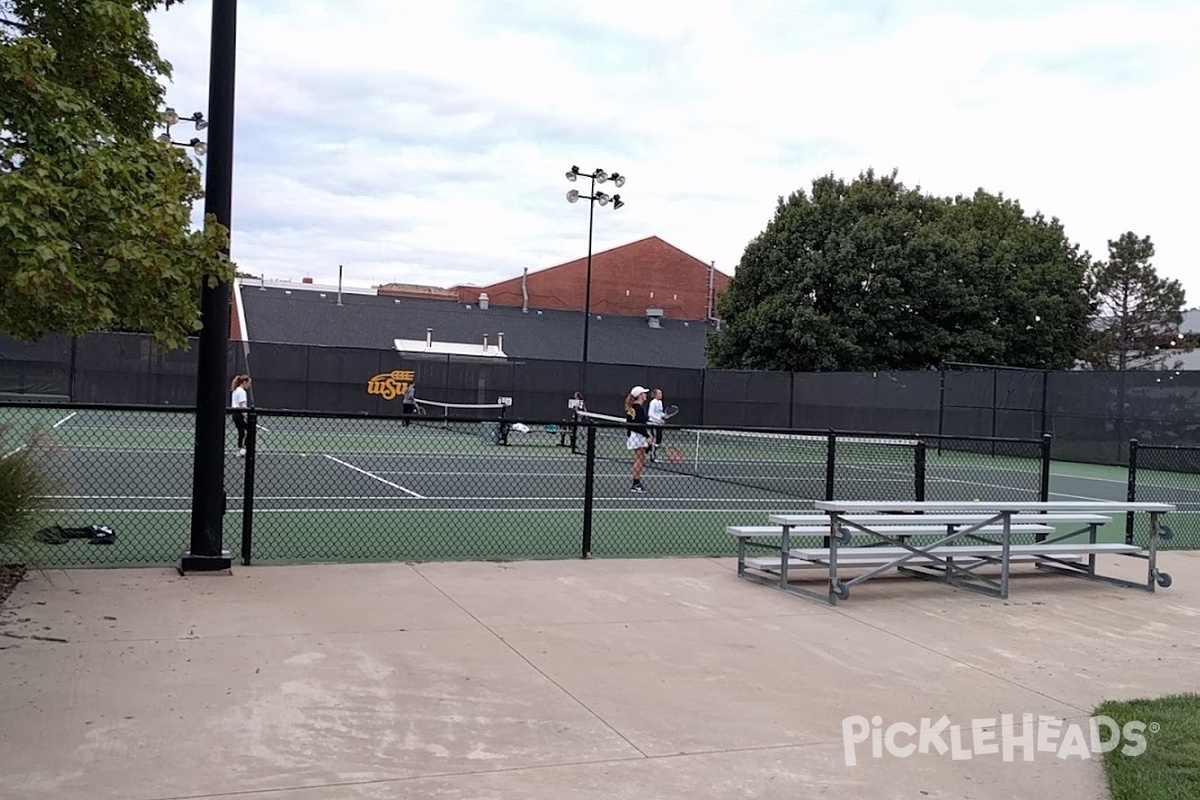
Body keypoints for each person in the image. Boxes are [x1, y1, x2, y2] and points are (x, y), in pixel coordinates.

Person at [624, 385, 651, 493]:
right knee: (640, 459)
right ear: (640, 395)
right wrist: (647, 436)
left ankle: (636, 482)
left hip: (635, 435)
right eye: (644, 393)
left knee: (640, 458)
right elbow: (639, 425)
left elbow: (632, 425)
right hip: (638, 435)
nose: (645, 395)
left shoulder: (633, 408)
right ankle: (636, 483)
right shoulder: (638, 408)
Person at [229, 374, 252, 456]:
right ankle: (244, 448)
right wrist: (245, 416)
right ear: (244, 382)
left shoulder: (235, 390)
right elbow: (242, 405)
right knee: (250, 430)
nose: (249, 385)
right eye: (248, 383)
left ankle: (240, 448)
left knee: (241, 432)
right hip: (239, 413)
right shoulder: (241, 391)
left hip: (235, 413)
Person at [647, 388, 666, 461]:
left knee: (658, 440)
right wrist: (659, 420)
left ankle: (648, 452)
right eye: (659, 393)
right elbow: (650, 414)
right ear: (655, 395)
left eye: (661, 393)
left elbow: (659, 413)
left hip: (659, 425)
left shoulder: (660, 402)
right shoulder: (653, 402)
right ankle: (652, 456)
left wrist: (663, 416)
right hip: (653, 424)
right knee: (654, 440)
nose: (661, 395)